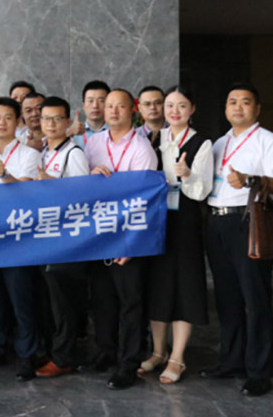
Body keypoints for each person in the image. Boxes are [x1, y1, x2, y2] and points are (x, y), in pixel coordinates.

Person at [201, 82, 273, 397]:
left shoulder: (269, 141)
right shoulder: (218, 143)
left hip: (249, 221)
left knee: (255, 299)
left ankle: (259, 372)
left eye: (245, 101)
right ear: (225, 108)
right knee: (227, 298)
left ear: (257, 108)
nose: (238, 107)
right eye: (232, 101)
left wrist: (250, 179)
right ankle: (232, 361)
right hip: (216, 221)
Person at [84, 89, 158, 390]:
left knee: (130, 303)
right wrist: (91, 174)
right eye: (109, 105)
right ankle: (105, 352)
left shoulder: (142, 148)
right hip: (98, 234)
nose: (113, 111)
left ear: (133, 111)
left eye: (120, 106)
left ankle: (128, 363)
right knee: (102, 300)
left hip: (128, 236)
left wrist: (132, 243)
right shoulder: (93, 143)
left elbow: (145, 199)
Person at [140, 86, 213, 385]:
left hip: (185, 222)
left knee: (185, 286)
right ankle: (158, 351)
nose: (174, 111)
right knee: (157, 285)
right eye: (170, 105)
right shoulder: (153, 139)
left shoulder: (201, 143)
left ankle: (177, 356)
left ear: (192, 109)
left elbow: (202, 191)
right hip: (156, 220)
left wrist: (186, 174)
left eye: (181, 106)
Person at [0, 97, 41, 380]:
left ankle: (27, 354)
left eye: (8, 117)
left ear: (18, 122)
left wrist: (6, 177)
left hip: (18, 241)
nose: (2, 123)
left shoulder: (29, 155)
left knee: (21, 298)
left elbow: (29, 191)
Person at [33, 97, 91, 378]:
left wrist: (52, 184)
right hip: (44, 235)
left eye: (57, 119)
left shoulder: (74, 153)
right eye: (46, 119)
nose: (51, 124)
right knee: (49, 300)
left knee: (64, 302)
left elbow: (82, 197)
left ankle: (64, 356)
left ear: (67, 122)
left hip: (66, 239)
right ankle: (53, 350)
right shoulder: (43, 152)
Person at [73, 80, 109, 149]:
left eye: (101, 101)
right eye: (90, 101)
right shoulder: (73, 134)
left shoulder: (116, 131)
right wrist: (69, 134)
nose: (95, 106)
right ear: (83, 105)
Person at [137, 85, 166, 166]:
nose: (153, 107)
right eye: (147, 104)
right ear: (139, 108)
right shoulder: (133, 136)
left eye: (158, 103)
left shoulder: (175, 133)